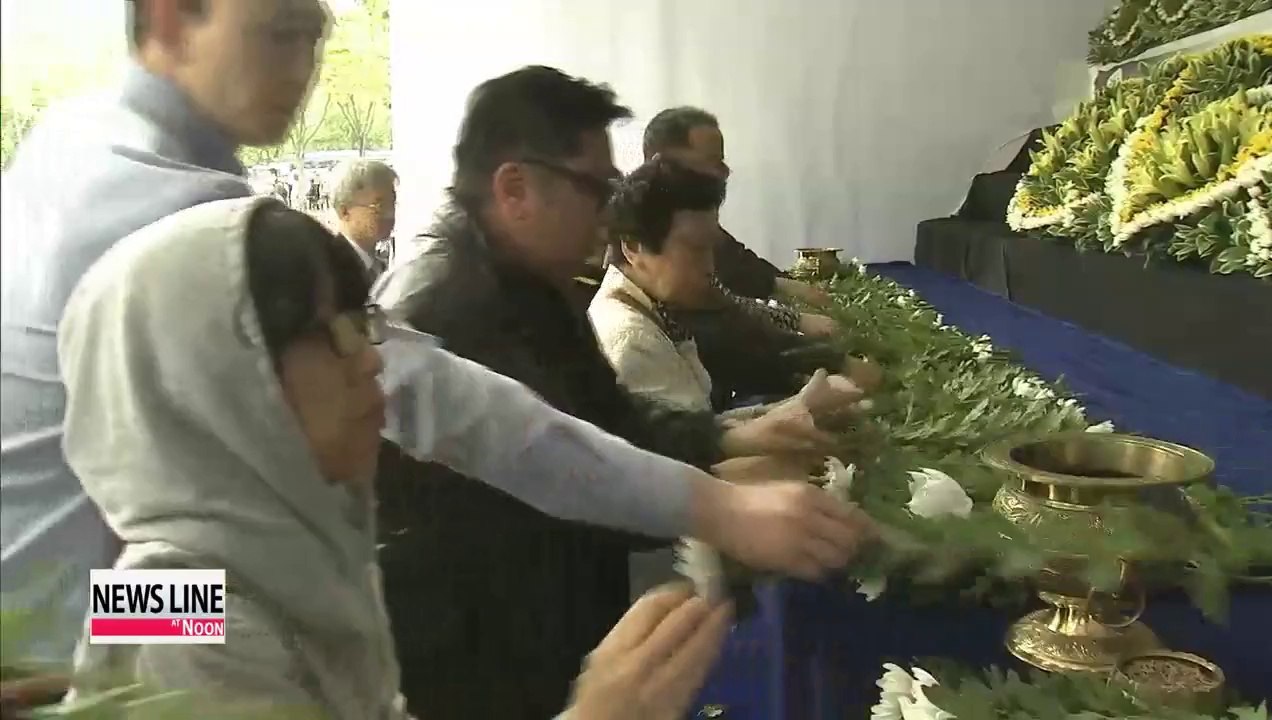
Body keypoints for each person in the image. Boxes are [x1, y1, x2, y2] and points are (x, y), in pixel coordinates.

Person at [57, 195, 764, 719]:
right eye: (329, 333)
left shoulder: (301, 551)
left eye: (363, 324)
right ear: (211, 382)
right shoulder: (163, 611)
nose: (370, 362)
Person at [372, 66, 875, 719]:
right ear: (515, 188)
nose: (611, 215)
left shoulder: (515, 282)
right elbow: (554, 471)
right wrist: (725, 512)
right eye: (596, 189)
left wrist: (730, 440)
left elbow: (576, 434)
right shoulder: (448, 308)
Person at [0, 0, 331, 668]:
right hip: (74, 638)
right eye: (279, 33)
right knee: (298, 630)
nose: (303, 68)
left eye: (314, 37)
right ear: (172, 22)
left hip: (43, 602)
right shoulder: (182, 205)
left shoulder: (68, 132)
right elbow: (413, 391)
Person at [639, 107, 884, 403]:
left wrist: (789, 301)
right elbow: (717, 331)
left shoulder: (685, 223)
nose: (725, 171)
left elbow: (727, 290)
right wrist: (819, 363)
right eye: (712, 161)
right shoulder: (650, 241)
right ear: (661, 163)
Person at [331, 158, 398, 281]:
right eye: (380, 205)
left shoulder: (382, 268)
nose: (390, 214)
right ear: (344, 211)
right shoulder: (329, 271)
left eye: (392, 203)